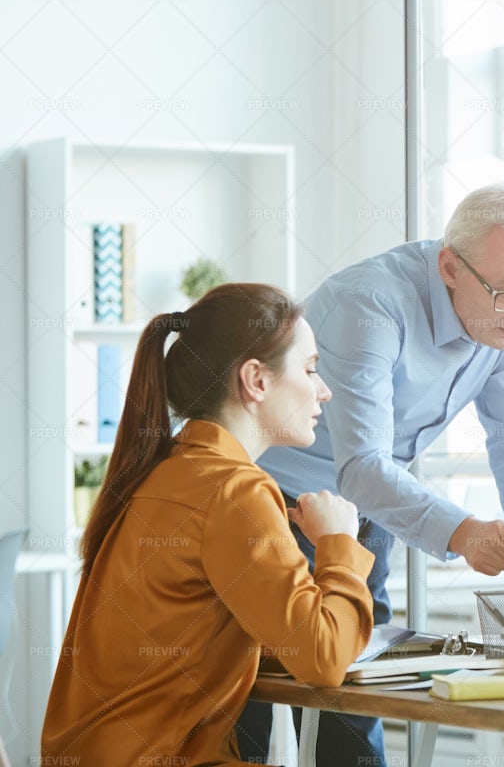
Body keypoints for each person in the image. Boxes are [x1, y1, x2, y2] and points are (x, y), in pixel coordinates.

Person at [238, 182, 504, 764]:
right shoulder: (371, 302)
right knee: (254, 695)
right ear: (450, 267)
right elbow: (363, 463)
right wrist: (465, 533)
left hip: (365, 505)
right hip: (269, 501)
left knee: (355, 684)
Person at [42, 284, 374, 767]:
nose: (324, 389)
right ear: (256, 380)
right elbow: (322, 660)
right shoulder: (235, 490)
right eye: (310, 369)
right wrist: (339, 543)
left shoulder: (169, 470)